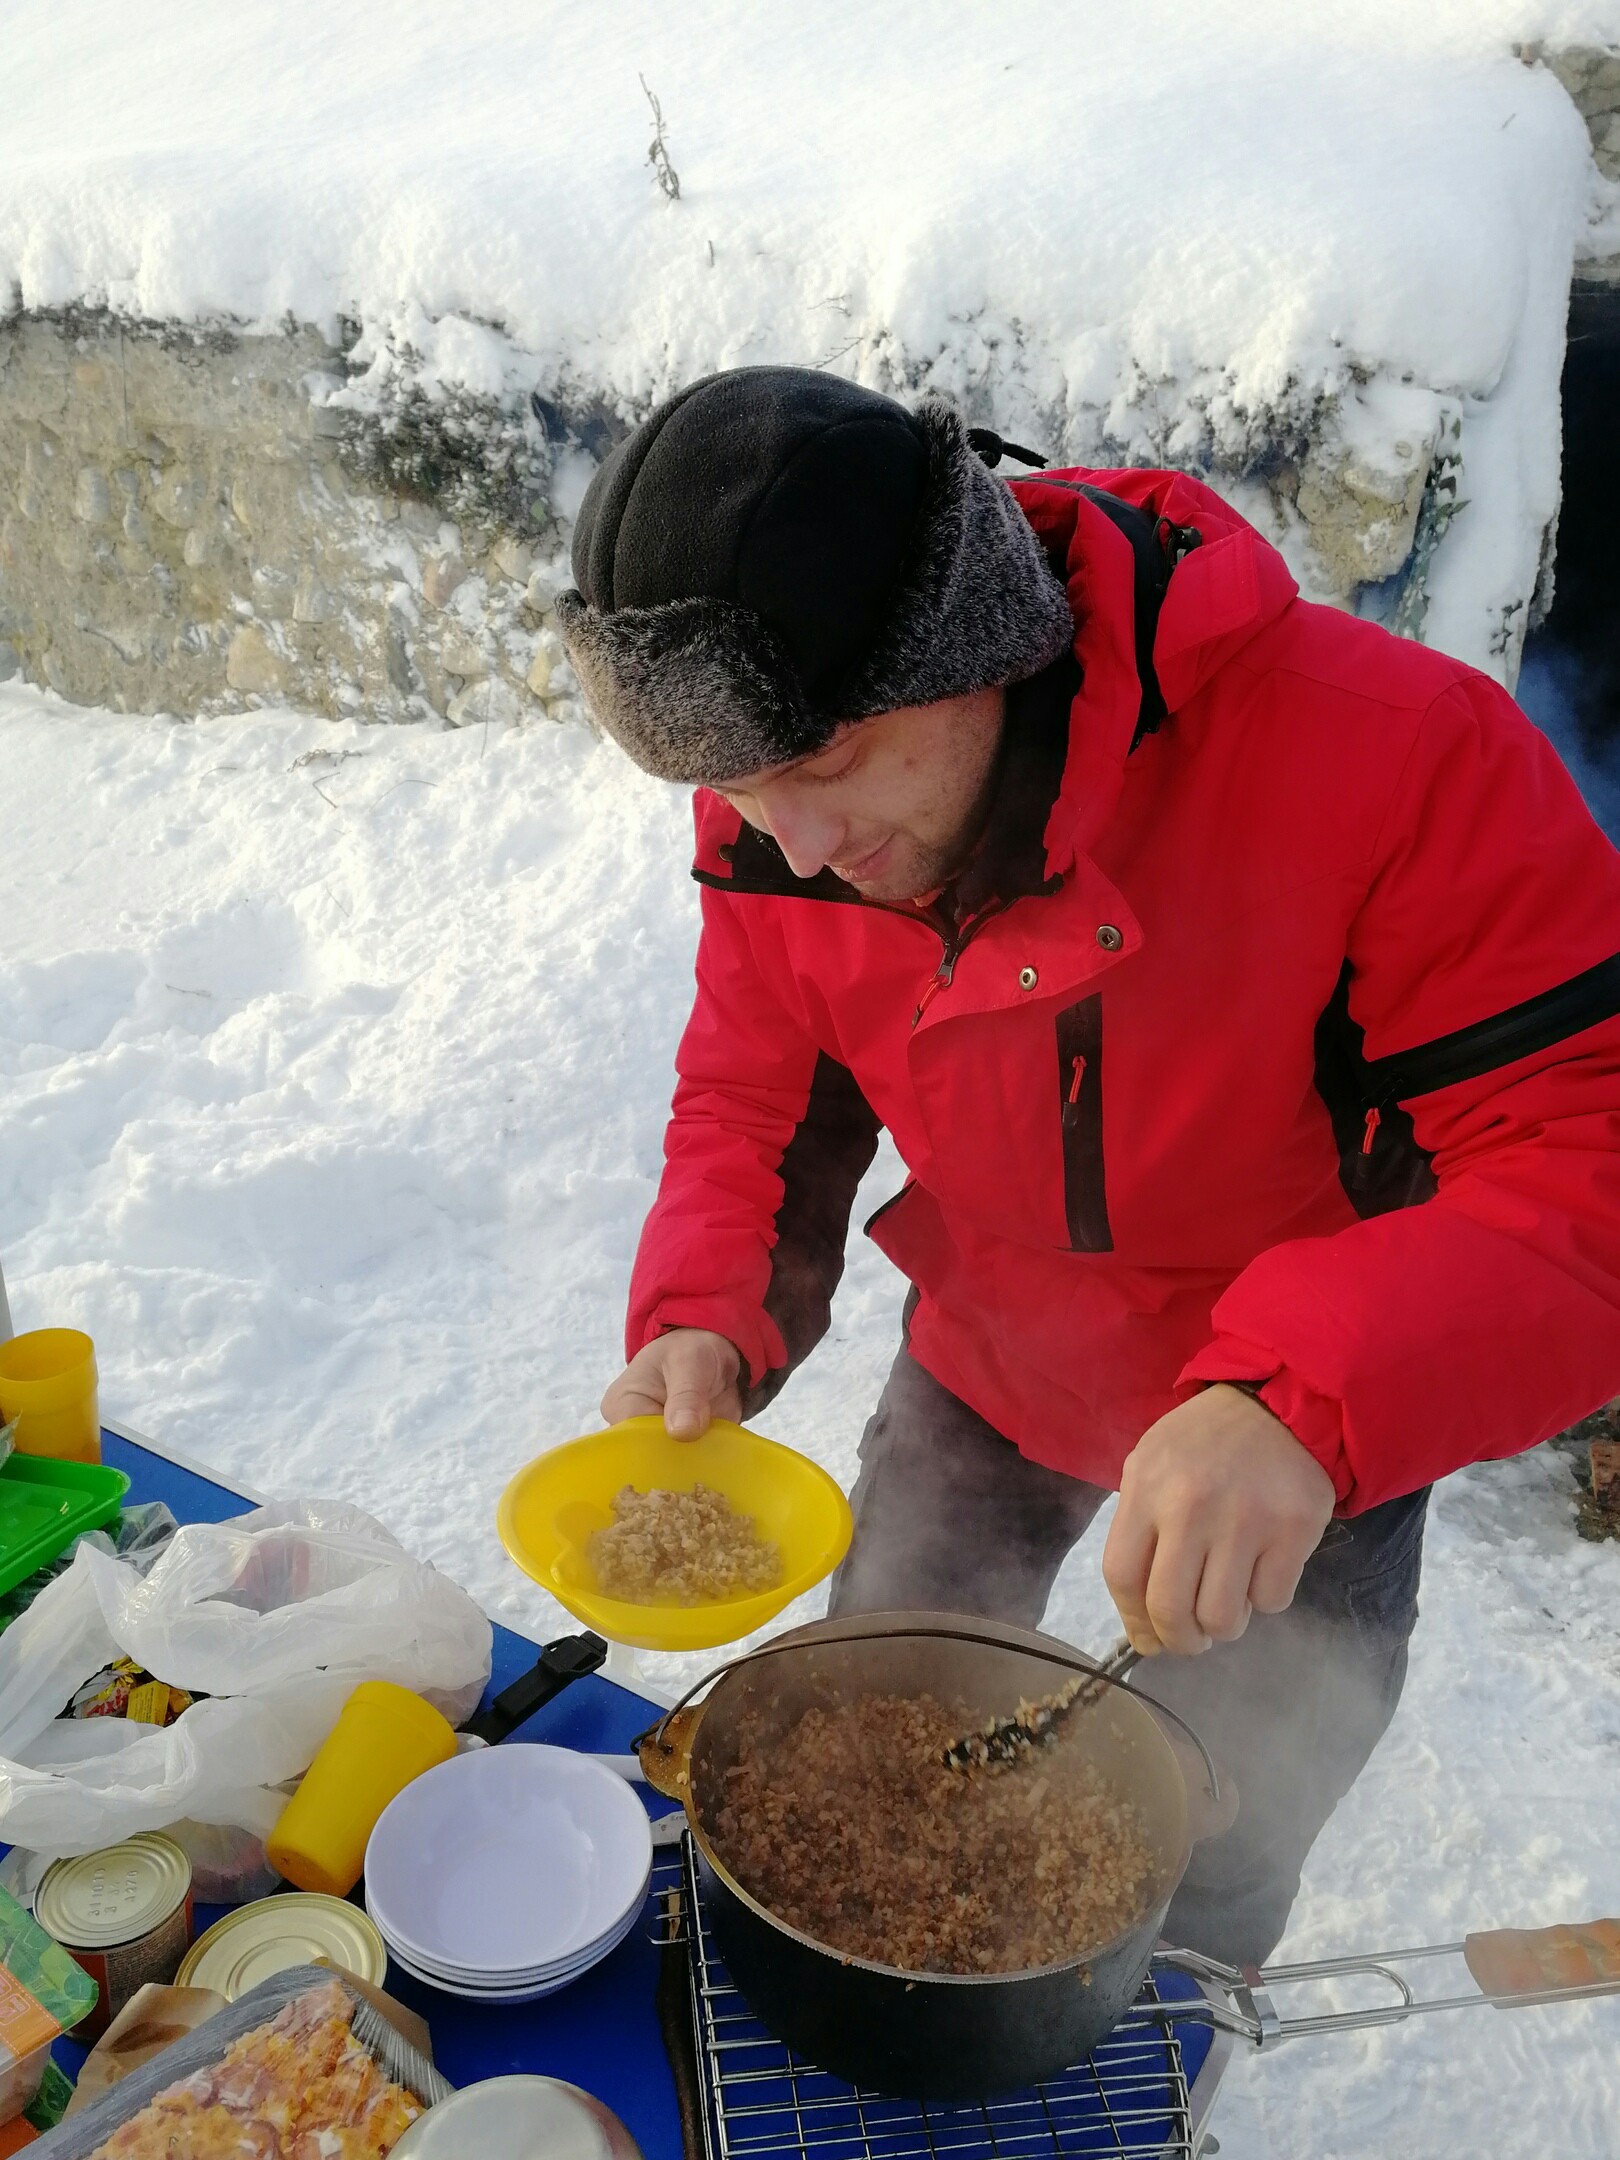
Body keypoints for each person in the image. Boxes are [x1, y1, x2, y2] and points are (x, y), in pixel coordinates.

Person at [558, 365, 1620, 1963]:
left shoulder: (1391, 758)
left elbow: (1584, 1160)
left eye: (825, 762)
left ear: (967, 645)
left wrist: (1304, 1403)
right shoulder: (784, 806)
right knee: (874, 1719)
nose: (789, 845)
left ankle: (1174, 2040)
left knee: (1215, 1823)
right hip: (985, 1364)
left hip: (1286, 1442)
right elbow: (760, 1078)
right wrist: (710, 1298)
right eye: (733, 792)